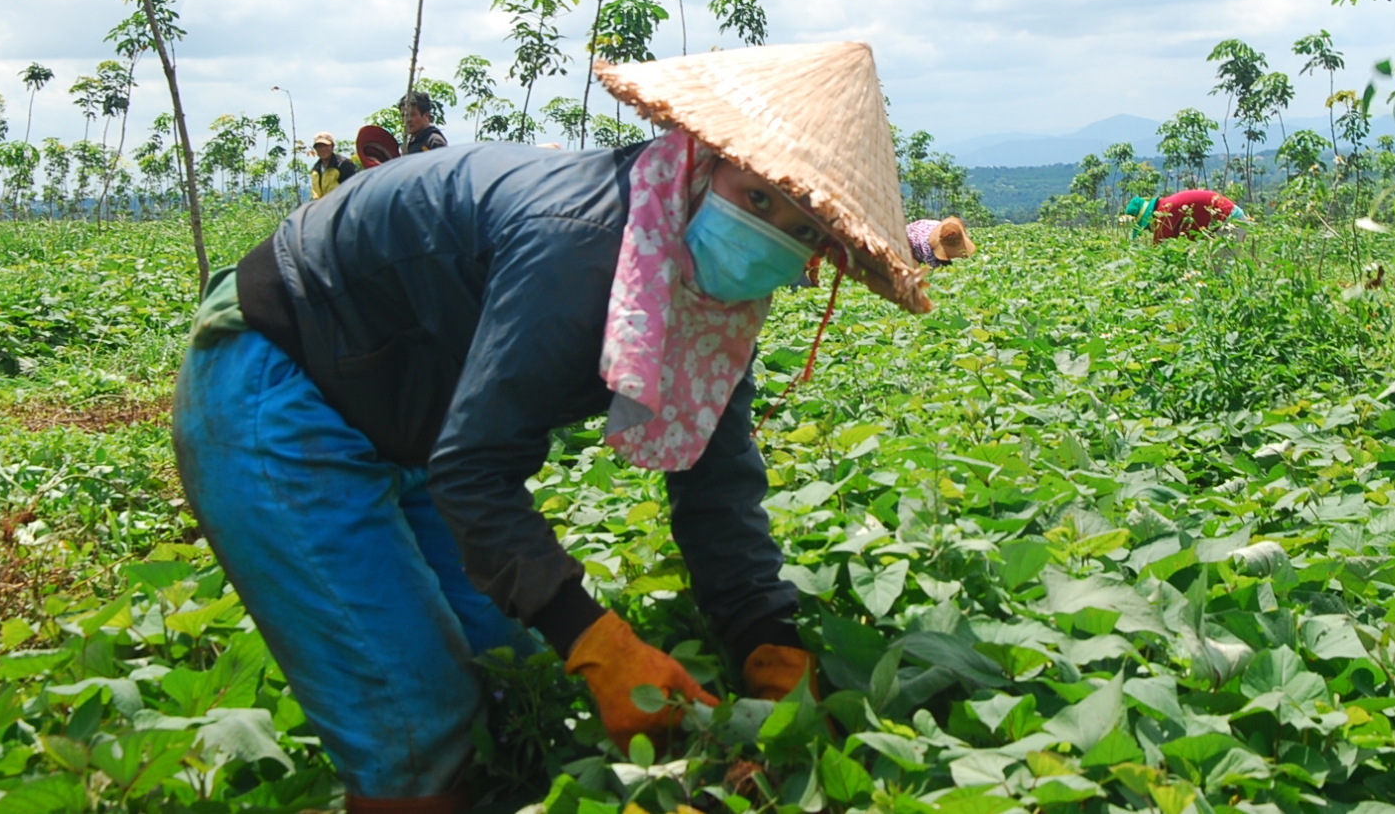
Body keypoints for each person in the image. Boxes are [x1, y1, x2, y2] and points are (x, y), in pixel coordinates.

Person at [171, 42, 927, 812]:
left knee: (514, 673)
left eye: (801, 226)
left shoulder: (716, 310)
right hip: (280, 373)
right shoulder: (580, 241)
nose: (768, 232)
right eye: (759, 197)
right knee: (419, 720)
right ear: (706, 158)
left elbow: (715, 480)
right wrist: (595, 640)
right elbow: (475, 471)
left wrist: (767, 637)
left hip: (410, 415)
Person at [1128, 188, 1247, 242]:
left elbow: (1160, 251)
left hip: (1231, 221)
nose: (1151, 230)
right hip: (1227, 220)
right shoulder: (1166, 206)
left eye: (1147, 227)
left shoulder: (1164, 212)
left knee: (1220, 272)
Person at [906, 215, 975, 267]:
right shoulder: (927, 249)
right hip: (905, 242)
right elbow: (937, 271)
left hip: (921, 229)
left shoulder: (948, 230)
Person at [308, 132, 357, 199]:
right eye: (319, 146)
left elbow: (354, 190)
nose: (323, 149)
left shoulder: (343, 164)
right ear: (316, 149)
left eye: (326, 145)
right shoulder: (316, 170)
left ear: (332, 146)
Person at [402, 91, 448, 155]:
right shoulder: (410, 143)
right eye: (403, 115)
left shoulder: (434, 141)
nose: (407, 120)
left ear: (426, 116)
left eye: (412, 115)